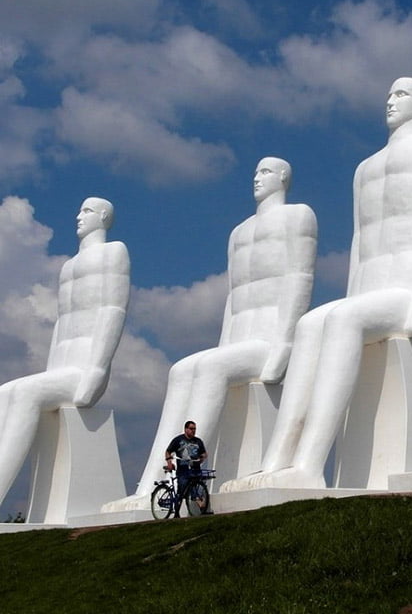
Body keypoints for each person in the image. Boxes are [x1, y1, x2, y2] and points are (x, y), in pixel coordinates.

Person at [224, 77, 412, 491]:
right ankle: (279, 459)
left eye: (402, 93)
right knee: (309, 325)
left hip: (406, 290)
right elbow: (360, 242)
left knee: (339, 321)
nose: (391, 100)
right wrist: (352, 297)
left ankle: (310, 463)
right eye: (388, 93)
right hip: (369, 292)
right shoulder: (364, 169)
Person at [103, 157, 317, 512]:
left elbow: (300, 279)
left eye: (265, 171)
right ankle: (151, 486)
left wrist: (284, 347)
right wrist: (222, 346)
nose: (257, 177)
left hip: (266, 342)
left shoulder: (298, 216)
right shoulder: (238, 233)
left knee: (211, 368)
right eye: (255, 170)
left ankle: (185, 480)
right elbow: (234, 299)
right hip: (237, 341)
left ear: (283, 178)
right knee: (182, 370)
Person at [0, 197, 130, 505]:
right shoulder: (68, 266)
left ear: (103, 216)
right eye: (79, 209)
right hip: (60, 368)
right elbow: (61, 323)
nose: (78, 216)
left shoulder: (114, 252)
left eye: (86, 210)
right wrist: (48, 372)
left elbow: (113, 309)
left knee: (25, 393)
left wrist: (97, 370)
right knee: (5, 392)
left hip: (83, 369)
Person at [166, 420, 208, 510]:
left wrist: (201, 458)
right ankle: (177, 510)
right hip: (183, 470)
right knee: (182, 490)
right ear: (185, 429)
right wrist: (169, 462)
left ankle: (199, 502)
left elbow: (204, 453)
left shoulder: (198, 441)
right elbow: (168, 451)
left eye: (194, 429)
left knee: (197, 485)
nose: (193, 431)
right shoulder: (178, 440)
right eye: (191, 429)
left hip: (195, 469)